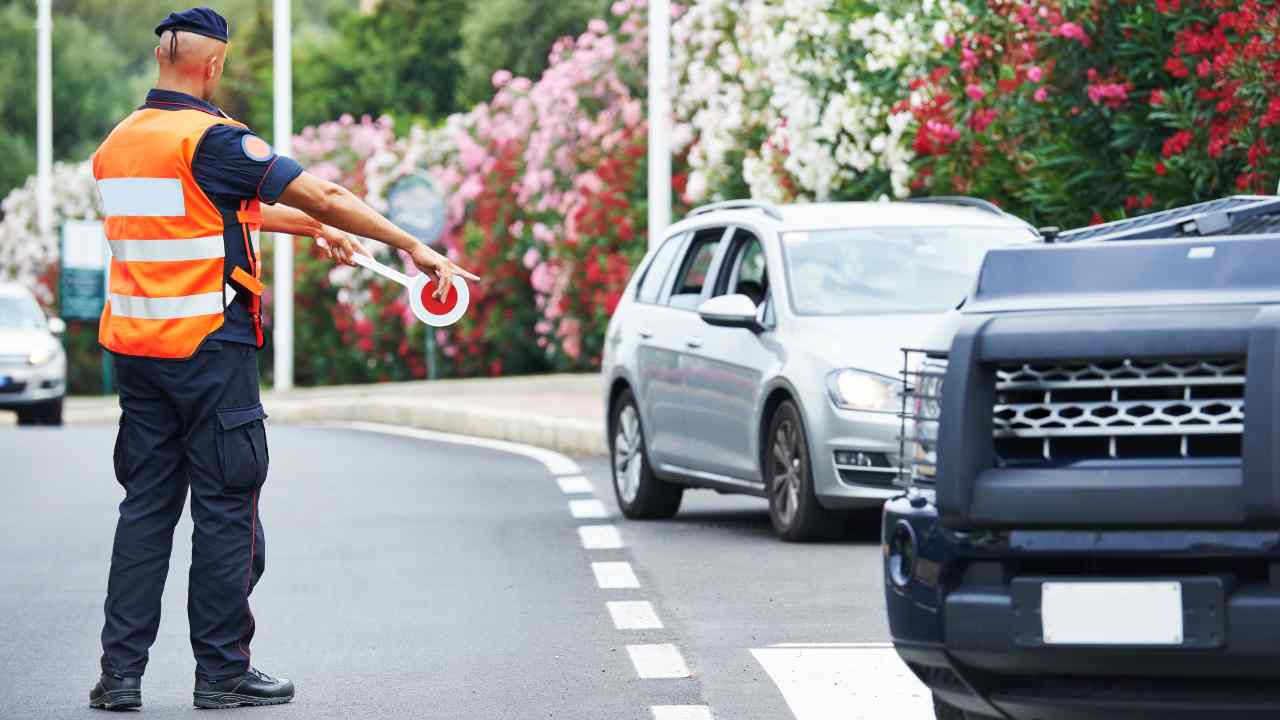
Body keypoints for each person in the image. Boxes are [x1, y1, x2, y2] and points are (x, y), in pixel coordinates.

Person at [88, 7, 478, 711]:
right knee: (226, 511)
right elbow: (318, 188)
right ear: (214, 65)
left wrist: (315, 228)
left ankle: (119, 678)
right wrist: (411, 247)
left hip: (140, 356)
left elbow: (217, 210)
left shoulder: (120, 144)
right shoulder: (211, 138)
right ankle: (222, 674)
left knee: (144, 512)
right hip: (211, 350)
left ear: (162, 62)